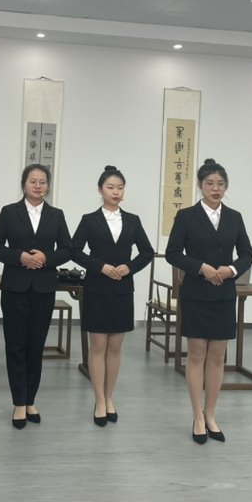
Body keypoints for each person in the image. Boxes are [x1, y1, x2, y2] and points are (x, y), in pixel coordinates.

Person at [165, 158, 252, 444]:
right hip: (196, 293)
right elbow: (173, 253)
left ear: (225, 187)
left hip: (223, 293)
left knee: (217, 356)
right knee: (196, 355)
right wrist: (201, 267)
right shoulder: (187, 216)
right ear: (200, 186)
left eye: (220, 184)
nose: (216, 189)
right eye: (210, 184)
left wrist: (231, 270)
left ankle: (211, 413)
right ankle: (197, 416)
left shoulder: (235, 217)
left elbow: (247, 254)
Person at [0, 163, 72, 429]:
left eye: (43, 181)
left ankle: (30, 399)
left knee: (36, 346)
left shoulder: (56, 215)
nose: (38, 186)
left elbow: (67, 248)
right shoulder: (9, 212)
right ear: (24, 184)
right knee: (15, 345)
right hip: (15, 287)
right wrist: (20, 257)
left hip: (44, 288)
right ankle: (18, 402)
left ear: (48, 186)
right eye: (33, 181)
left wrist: (46, 257)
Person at [72, 165, 154, 426]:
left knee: (115, 347)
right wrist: (100, 266)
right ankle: (98, 400)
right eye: (110, 187)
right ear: (100, 190)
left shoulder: (133, 220)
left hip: (122, 289)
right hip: (97, 287)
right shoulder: (89, 220)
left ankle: (109, 397)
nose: (116, 192)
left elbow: (147, 252)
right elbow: (74, 251)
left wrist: (129, 267)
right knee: (98, 346)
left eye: (120, 188)